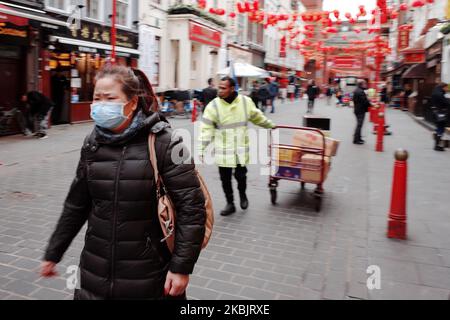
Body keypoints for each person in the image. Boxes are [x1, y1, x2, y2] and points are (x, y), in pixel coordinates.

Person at [40, 65, 206, 300]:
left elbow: (192, 210)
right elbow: (76, 205)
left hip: (149, 274)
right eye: (97, 98)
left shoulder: (166, 144)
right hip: (94, 270)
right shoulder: (92, 143)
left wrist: (181, 268)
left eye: (109, 98)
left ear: (132, 102)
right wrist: (53, 252)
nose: (100, 104)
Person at [199, 76, 275, 216]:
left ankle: (243, 195)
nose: (219, 90)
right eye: (219, 87)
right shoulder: (214, 106)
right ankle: (230, 203)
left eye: (223, 88)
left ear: (232, 88)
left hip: (240, 148)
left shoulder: (246, 102)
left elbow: (258, 117)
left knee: (241, 176)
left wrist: (271, 125)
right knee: (225, 179)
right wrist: (201, 149)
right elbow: (206, 129)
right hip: (223, 149)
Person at [431, 82, 450, 151]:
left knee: (438, 128)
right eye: (446, 87)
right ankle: (437, 146)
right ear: (443, 87)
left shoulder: (435, 92)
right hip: (441, 114)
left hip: (436, 113)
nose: (447, 89)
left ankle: (437, 145)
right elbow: (446, 103)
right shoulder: (440, 94)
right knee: (440, 129)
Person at [352, 79, 372, 145]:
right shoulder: (360, 91)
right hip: (360, 111)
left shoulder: (357, 90)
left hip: (357, 110)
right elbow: (365, 101)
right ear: (361, 84)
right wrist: (371, 105)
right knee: (359, 125)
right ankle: (356, 140)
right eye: (365, 84)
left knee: (359, 125)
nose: (366, 85)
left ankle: (359, 138)